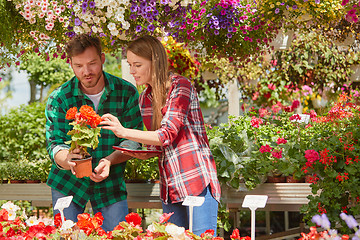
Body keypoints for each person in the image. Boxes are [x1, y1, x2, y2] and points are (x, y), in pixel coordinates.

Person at [100, 35, 221, 236]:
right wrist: (145, 153)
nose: (132, 71)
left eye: (137, 65)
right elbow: (159, 144)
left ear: (154, 61)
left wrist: (122, 131)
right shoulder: (145, 98)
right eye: (130, 64)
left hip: (195, 181)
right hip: (170, 186)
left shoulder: (180, 86)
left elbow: (166, 135)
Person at [45, 33, 143, 232]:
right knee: (67, 236)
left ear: (103, 59)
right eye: (78, 66)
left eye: (92, 63)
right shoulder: (59, 98)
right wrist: (69, 159)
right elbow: (55, 144)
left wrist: (109, 160)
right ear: (70, 64)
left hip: (111, 185)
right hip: (67, 184)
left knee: (117, 236)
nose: (86, 71)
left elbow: (133, 140)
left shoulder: (126, 92)